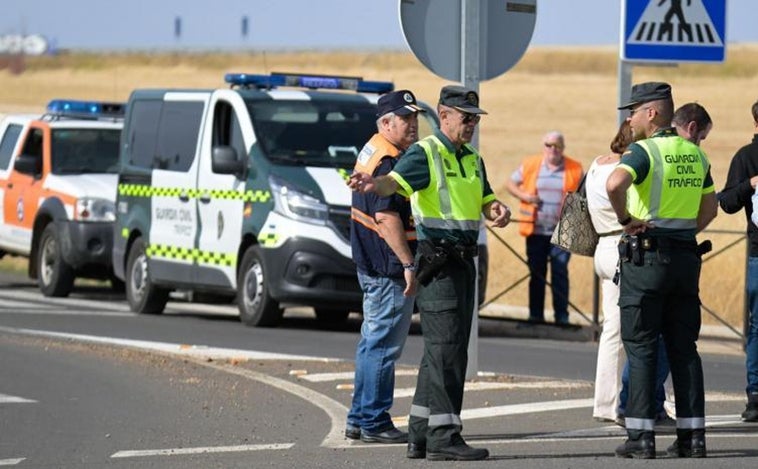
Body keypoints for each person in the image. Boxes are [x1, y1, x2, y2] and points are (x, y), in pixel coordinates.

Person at [348, 85, 511, 461]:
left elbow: (485, 198)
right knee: (448, 351)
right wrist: (375, 184)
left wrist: (496, 209)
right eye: (465, 117)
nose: (471, 124)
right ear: (445, 114)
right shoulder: (425, 153)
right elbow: (394, 185)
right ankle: (444, 435)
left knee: (441, 350)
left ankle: (420, 433)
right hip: (438, 262)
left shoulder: (472, 158)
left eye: (475, 118)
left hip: (463, 262)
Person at [607, 82, 718, 459]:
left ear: (651, 113)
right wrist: (684, 232)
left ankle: (641, 437)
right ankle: (692, 438)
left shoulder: (643, 151)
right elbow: (711, 209)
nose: (629, 117)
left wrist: (626, 219)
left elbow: (614, 183)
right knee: (685, 349)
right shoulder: (694, 154)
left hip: (648, 259)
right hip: (686, 258)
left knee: (641, 349)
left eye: (633, 111)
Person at [345, 90, 424, 444]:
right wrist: (408, 263)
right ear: (386, 123)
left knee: (371, 343)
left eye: (414, 117)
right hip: (388, 266)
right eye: (405, 119)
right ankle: (374, 421)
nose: (413, 124)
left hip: (372, 262)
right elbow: (385, 214)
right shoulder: (388, 160)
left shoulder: (373, 148)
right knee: (383, 346)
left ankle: (359, 418)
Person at [506, 132, 583, 324]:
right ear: (543, 147)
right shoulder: (531, 164)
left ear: (563, 148)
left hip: (563, 231)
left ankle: (562, 317)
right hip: (536, 230)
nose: (552, 149)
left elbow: (584, 194)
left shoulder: (575, 168)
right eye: (549, 145)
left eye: (557, 145)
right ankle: (535, 315)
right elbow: (510, 183)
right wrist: (525, 196)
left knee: (560, 272)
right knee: (537, 273)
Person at [587, 121, 634, 422]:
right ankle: (614, 402)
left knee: (611, 329)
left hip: (601, 247)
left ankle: (605, 401)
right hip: (622, 244)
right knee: (625, 329)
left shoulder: (595, 164)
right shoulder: (627, 168)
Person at [718, 98, 758, 423]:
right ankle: (756, 395)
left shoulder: (744, 155)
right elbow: (727, 201)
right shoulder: (747, 157)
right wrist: (750, 184)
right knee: (757, 327)